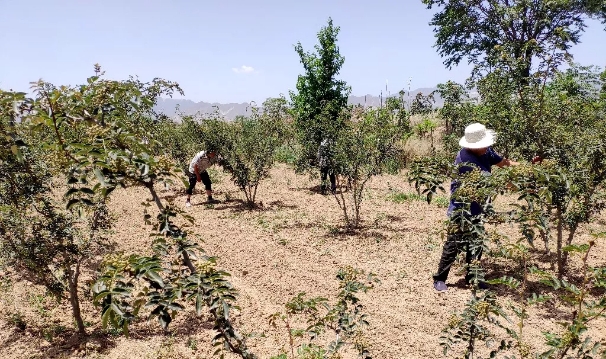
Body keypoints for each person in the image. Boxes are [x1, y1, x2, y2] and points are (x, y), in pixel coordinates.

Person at [432, 123, 539, 292]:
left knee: (476, 244)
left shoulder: (486, 151)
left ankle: (473, 277)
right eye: (483, 144)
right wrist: (518, 187)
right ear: (471, 146)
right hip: (460, 210)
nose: (487, 147)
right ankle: (440, 279)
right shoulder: (464, 160)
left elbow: (505, 163)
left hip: (477, 208)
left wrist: (528, 167)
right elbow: (490, 185)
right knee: (453, 244)